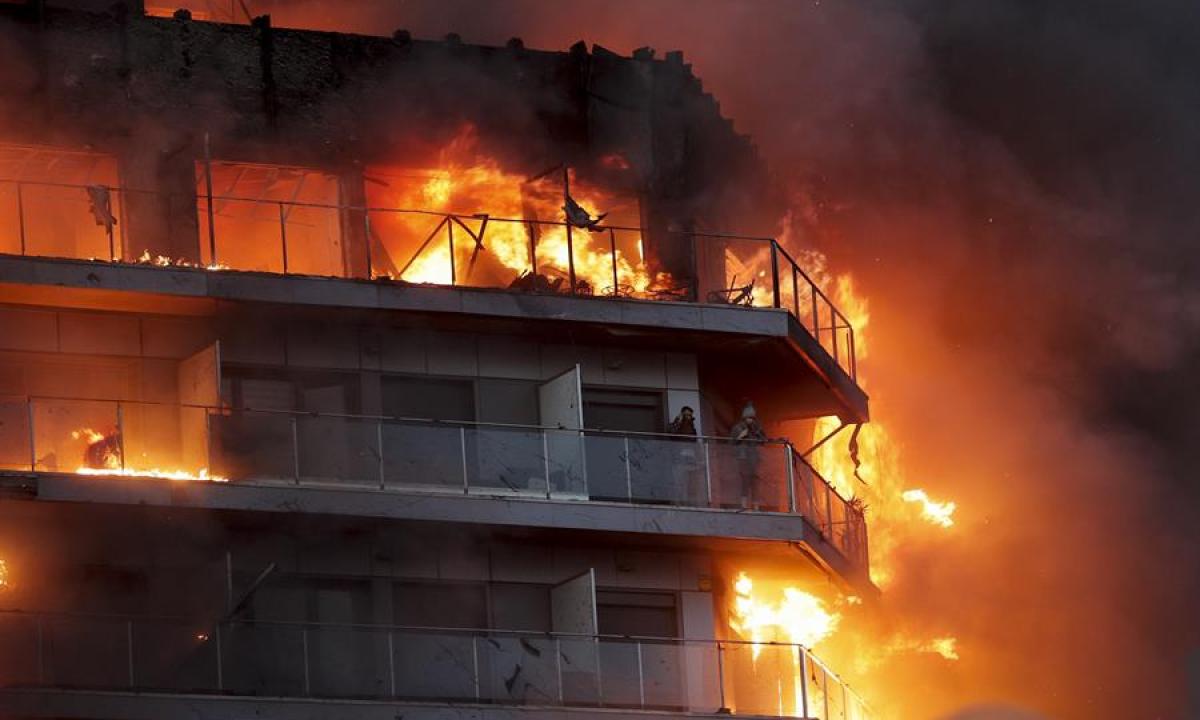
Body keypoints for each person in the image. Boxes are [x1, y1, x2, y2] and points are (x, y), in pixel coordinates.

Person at [729, 402, 767, 508]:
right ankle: (744, 505)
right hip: (743, 458)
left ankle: (756, 506)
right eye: (749, 418)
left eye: (753, 418)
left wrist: (759, 435)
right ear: (744, 418)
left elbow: (764, 440)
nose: (751, 420)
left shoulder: (756, 429)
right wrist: (740, 436)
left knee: (755, 481)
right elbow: (731, 443)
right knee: (745, 480)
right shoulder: (738, 428)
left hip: (754, 458)